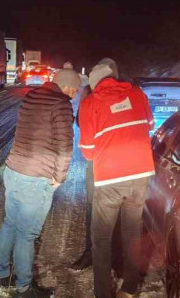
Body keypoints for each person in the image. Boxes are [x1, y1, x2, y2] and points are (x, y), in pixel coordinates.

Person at [0, 68, 81, 298]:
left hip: (14, 169)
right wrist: (59, 177)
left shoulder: (31, 96)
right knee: (26, 235)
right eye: (75, 90)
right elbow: (64, 146)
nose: (75, 94)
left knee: (10, 223)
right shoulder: (61, 104)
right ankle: (24, 288)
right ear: (68, 87)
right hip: (36, 176)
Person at [78, 60, 154, 298]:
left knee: (101, 238)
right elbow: (149, 125)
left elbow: (88, 151)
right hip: (141, 172)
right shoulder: (137, 94)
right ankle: (130, 287)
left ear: (93, 83)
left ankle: (103, 293)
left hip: (109, 177)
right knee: (132, 232)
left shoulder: (90, 103)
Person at [69, 58, 118, 272]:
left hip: (102, 161)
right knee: (99, 209)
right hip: (103, 160)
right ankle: (101, 255)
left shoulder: (92, 93)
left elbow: (80, 121)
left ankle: (100, 255)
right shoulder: (91, 94)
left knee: (95, 208)